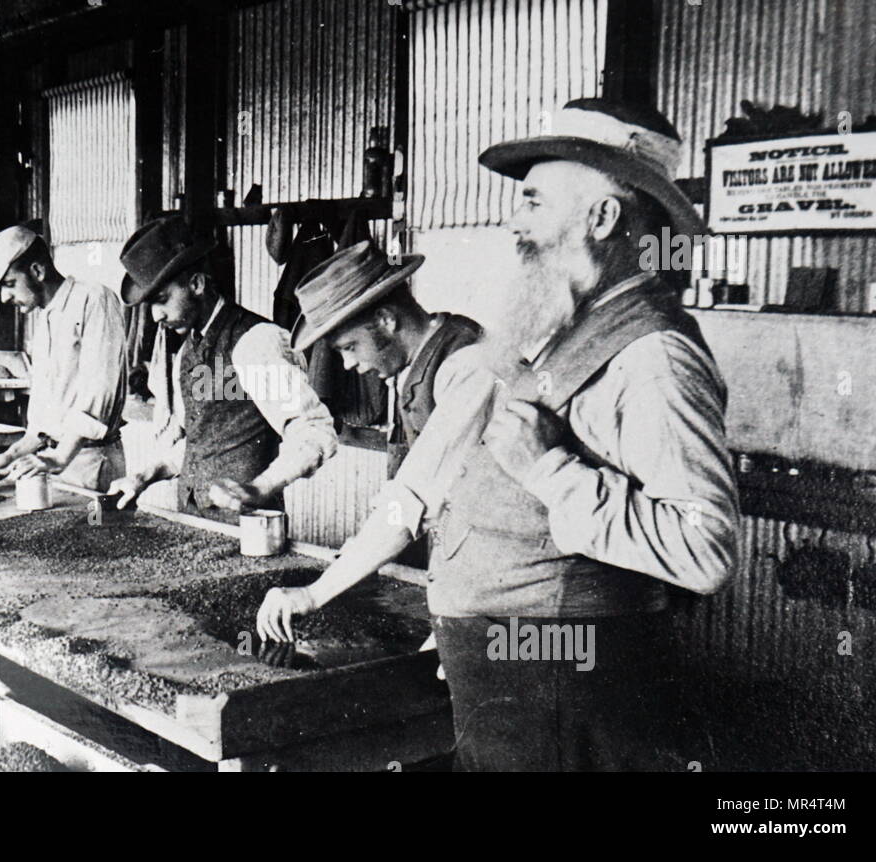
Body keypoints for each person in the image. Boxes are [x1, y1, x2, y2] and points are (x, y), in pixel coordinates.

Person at [255, 99, 741, 770]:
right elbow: (419, 486)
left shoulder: (652, 355)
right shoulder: (538, 335)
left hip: (570, 689)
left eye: (535, 203)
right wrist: (321, 594)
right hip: (507, 681)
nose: (514, 222)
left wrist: (552, 472)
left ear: (602, 219)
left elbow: (706, 549)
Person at [108, 216, 337, 520]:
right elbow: (203, 442)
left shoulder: (255, 342)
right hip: (194, 522)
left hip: (248, 530)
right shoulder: (187, 352)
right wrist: (145, 475)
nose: (156, 316)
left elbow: (313, 430)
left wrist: (261, 488)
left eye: (162, 300)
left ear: (197, 284)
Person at [291, 240, 480, 476]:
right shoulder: (419, 362)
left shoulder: (462, 366)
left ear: (386, 320)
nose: (348, 364)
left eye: (349, 347)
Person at [0, 225, 128, 491]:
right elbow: (47, 419)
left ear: (37, 271)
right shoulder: (46, 318)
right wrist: (10, 456)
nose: (4, 297)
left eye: (9, 284)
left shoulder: (94, 299)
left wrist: (60, 457)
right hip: (54, 462)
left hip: (91, 462)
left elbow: (100, 390)